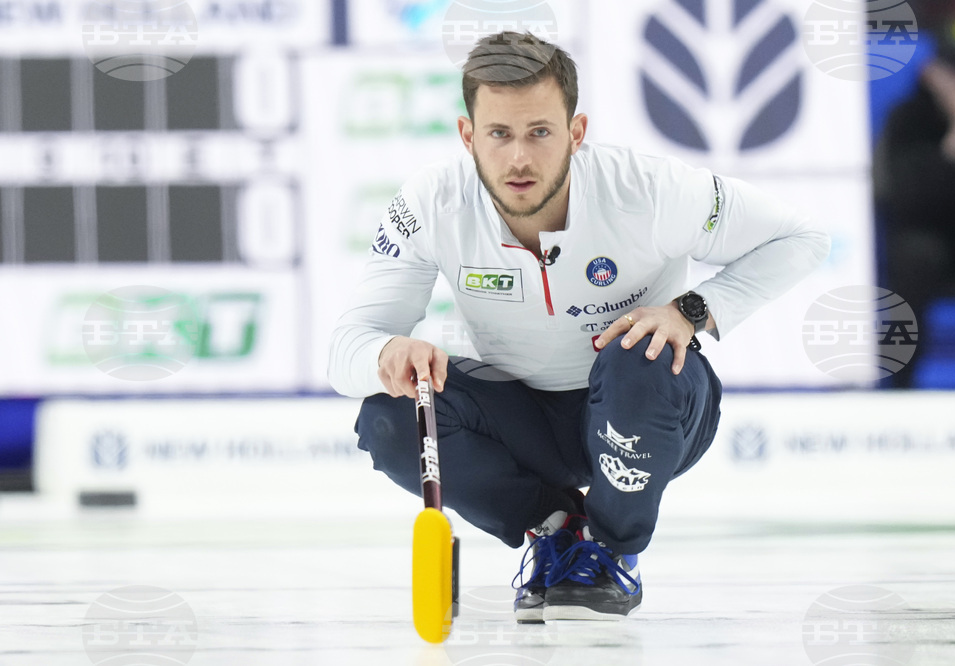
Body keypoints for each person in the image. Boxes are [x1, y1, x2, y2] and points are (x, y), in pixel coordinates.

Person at [329, 32, 829, 622]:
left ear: (576, 132)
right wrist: (387, 351)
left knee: (637, 351)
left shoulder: (652, 190)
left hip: (649, 400)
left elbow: (802, 237)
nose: (519, 158)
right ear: (468, 135)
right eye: (499, 134)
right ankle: (555, 528)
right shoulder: (430, 203)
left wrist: (690, 311)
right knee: (389, 417)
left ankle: (612, 549)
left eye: (540, 132)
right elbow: (347, 348)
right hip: (524, 420)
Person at [875, 10, 955, 388]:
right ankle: (898, 387)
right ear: (931, 73)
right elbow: (903, 202)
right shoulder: (908, 119)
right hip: (933, 250)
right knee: (914, 255)